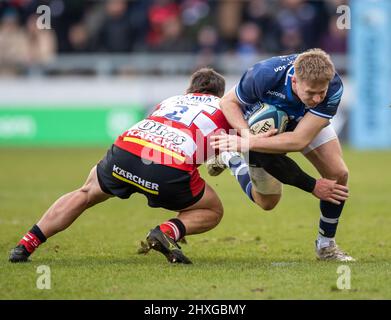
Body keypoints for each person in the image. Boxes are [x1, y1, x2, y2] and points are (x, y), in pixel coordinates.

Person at [9, 67, 348, 265]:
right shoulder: (231, 108)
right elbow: (264, 154)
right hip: (169, 168)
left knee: (85, 193)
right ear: (220, 93)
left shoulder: (169, 100)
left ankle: (26, 243)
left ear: (190, 89)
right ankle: (169, 231)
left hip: (129, 147)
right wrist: (309, 184)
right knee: (213, 209)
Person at [210, 49, 354, 262]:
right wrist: (248, 136)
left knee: (339, 174)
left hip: (303, 121)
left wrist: (249, 142)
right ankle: (232, 159)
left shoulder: (332, 85)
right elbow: (227, 103)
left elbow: (299, 140)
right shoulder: (265, 74)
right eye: (310, 93)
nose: (316, 98)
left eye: (320, 93)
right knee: (267, 203)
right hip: (261, 127)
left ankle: (326, 245)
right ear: (295, 81)